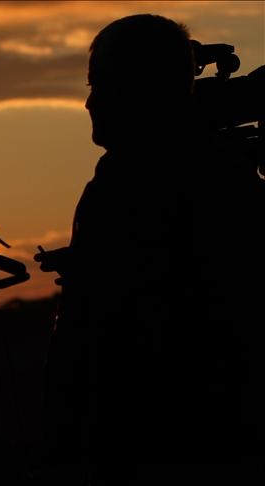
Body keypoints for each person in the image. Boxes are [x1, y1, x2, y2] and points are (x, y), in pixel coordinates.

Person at [35, 15, 263, 484]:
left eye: (103, 85)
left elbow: (102, 328)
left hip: (156, 440)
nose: (89, 102)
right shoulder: (218, 169)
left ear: (144, 89)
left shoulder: (134, 180)